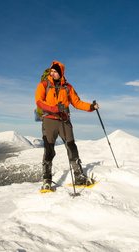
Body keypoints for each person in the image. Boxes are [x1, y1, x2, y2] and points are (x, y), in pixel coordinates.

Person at [35, 60, 99, 190]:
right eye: (51, 71)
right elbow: (39, 101)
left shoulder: (68, 87)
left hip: (64, 120)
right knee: (49, 149)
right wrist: (53, 109)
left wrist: (91, 107)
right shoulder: (43, 84)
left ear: (60, 73)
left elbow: (77, 102)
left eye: (55, 71)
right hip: (49, 120)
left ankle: (79, 176)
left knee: (71, 146)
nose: (52, 73)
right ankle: (47, 180)